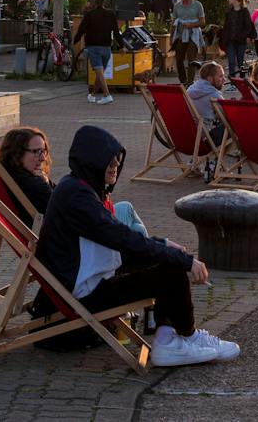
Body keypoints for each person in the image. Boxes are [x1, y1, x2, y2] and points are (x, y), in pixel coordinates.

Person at [33, 125, 238, 367]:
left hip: (84, 279)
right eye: (108, 163)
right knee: (170, 270)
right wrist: (182, 260)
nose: (115, 167)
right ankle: (185, 337)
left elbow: (119, 236)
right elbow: (122, 238)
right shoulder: (78, 198)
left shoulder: (77, 187)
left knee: (166, 259)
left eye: (117, 162)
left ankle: (169, 339)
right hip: (83, 295)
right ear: (91, 162)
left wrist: (163, 244)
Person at [0, 126, 54, 224]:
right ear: (17, 153)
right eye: (36, 151)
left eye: (43, 151)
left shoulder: (6, 175)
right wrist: (44, 182)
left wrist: (45, 181)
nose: (43, 158)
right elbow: (62, 208)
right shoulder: (34, 185)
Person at [72, 0, 120, 105]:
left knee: (99, 72)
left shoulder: (90, 15)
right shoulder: (111, 14)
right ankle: (92, 95)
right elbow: (116, 32)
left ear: (95, 2)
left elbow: (81, 29)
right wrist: (122, 46)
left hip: (93, 47)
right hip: (107, 47)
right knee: (100, 73)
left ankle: (107, 95)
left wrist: (75, 41)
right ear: (104, 2)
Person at [171, 0, 206, 85]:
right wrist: (171, 36)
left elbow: (202, 22)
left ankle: (190, 82)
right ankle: (183, 80)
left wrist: (191, 25)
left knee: (191, 59)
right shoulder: (177, 5)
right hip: (180, 34)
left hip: (193, 34)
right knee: (178, 59)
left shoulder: (197, 5)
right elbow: (173, 22)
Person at [220, 0, 254, 76]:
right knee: (231, 61)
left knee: (240, 61)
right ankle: (232, 81)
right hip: (230, 41)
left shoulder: (244, 11)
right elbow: (226, 26)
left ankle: (242, 80)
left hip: (240, 41)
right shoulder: (228, 12)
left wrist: (243, 36)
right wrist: (224, 38)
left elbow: (248, 26)